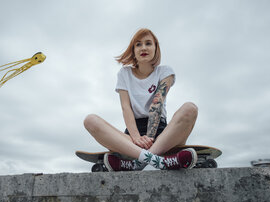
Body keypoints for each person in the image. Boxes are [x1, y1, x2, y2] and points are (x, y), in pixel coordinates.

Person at [83, 28, 198, 171]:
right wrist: (137, 138)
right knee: (90, 120)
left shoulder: (165, 71)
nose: (143, 47)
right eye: (138, 44)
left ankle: (136, 163)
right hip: (132, 138)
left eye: (148, 43)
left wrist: (148, 139)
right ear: (133, 50)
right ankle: (160, 162)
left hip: (163, 135)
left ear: (156, 48)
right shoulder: (124, 74)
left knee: (190, 109)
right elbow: (126, 107)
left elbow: (157, 103)